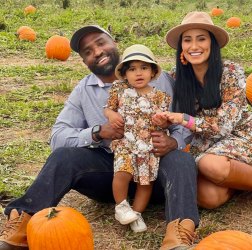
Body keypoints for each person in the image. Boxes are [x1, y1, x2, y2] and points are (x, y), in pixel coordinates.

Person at [0, 25, 199, 250]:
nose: (96, 51)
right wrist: (97, 132)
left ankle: (179, 233)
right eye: (87, 51)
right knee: (64, 157)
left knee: (182, 160)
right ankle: (23, 224)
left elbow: (185, 120)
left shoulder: (160, 80)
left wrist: (174, 141)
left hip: (156, 173)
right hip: (111, 172)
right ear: (84, 61)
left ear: (114, 43)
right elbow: (58, 137)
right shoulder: (83, 91)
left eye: (100, 42)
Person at [160, 11, 252, 224]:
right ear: (181, 48)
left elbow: (223, 127)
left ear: (212, 44)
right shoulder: (177, 77)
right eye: (187, 40)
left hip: (240, 138)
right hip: (205, 147)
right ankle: (242, 180)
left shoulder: (231, 73)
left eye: (201, 39)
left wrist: (183, 119)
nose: (194, 46)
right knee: (207, 198)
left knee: (210, 165)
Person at [104, 44, 171, 233]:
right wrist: (111, 115)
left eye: (144, 68)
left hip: (147, 146)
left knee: (145, 182)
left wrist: (163, 122)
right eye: (132, 69)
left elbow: (166, 123)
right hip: (126, 141)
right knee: (122, 173)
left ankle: (137, 212)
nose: (138, 73)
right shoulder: (119, 89)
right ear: (125, 74)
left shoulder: (160, 97)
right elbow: (108, 108)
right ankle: (122, 207)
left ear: (152, 71)